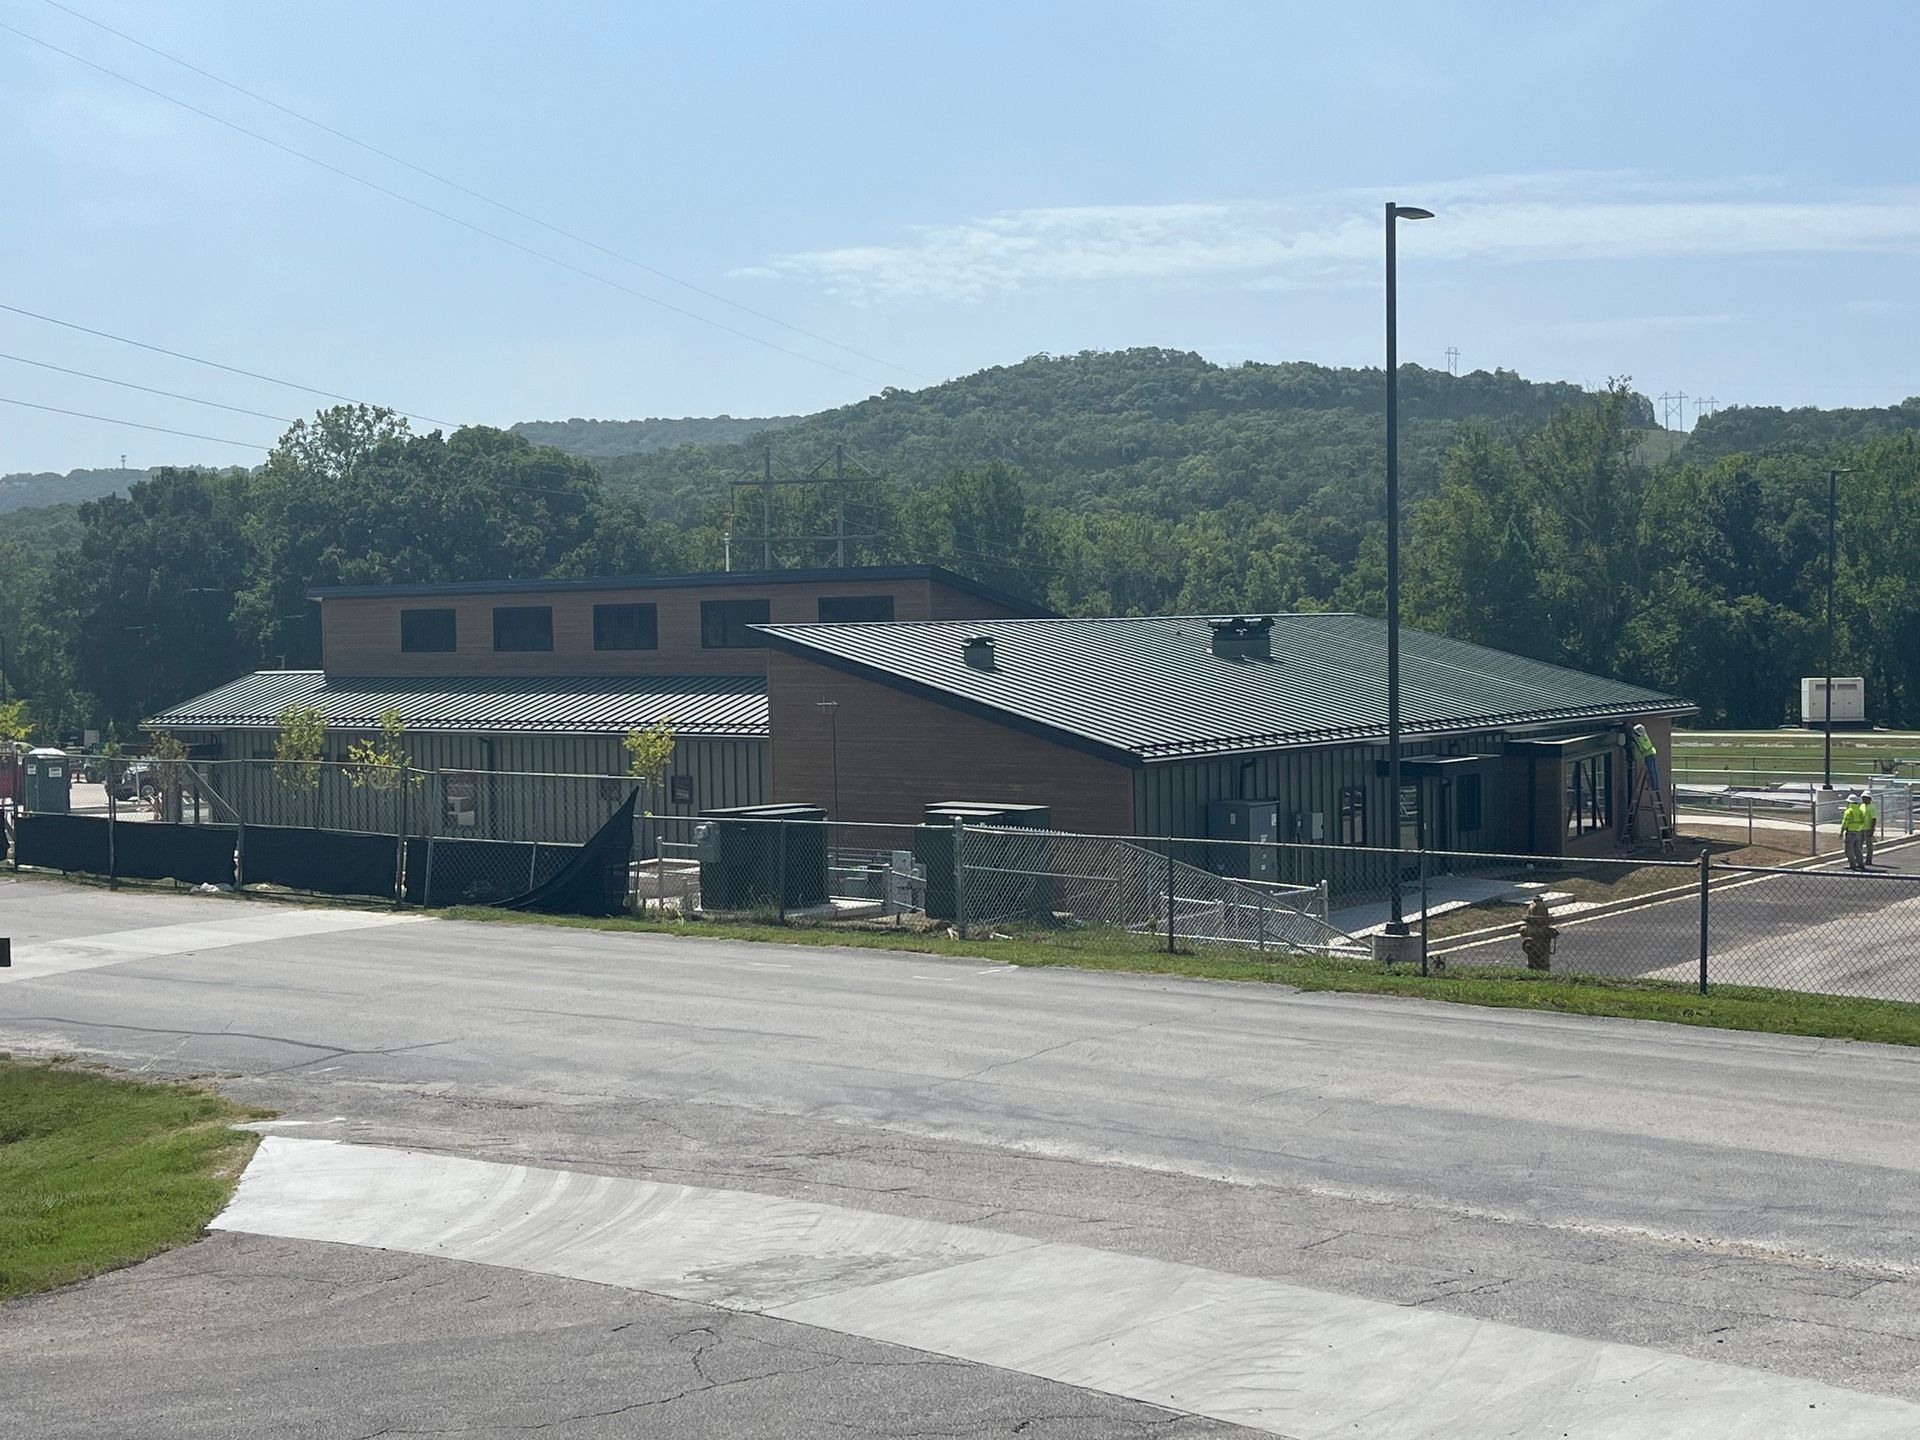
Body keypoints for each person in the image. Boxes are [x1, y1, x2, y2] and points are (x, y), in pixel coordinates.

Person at [1841, 792, 1871, 870]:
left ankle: (1852, 864)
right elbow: (1863, 821)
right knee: (1858, 849)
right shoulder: (1860, 810)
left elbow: (1845, 822)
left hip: (1850, 831)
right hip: (1858, 831)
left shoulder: (1849, 811)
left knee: (1849, 849)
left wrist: (1841, 831)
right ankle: (1861, 864)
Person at [1862, 790, 1879, 868]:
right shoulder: (1861, 806)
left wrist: (1872, 829)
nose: (1863, 799)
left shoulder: (1871, 808)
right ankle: (1860, 859)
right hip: (1861, 828)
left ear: (1869, 799)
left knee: (1869, 845)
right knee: (1859, 844)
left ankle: (1869, 859)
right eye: (1863, 797)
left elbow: (1873, 819)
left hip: (1868, 828)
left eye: (1865, 797)